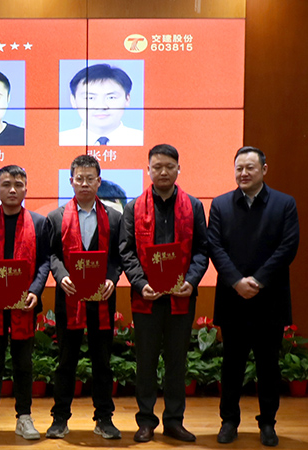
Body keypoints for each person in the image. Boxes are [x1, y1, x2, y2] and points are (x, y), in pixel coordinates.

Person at [208, 146, 299, 447]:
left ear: (264, 169)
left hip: (269, 299)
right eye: (239, 168)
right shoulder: (220, 204)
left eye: (250, 167)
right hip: (232, 298)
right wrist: (237, 282)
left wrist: (257, 281)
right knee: (231, 365)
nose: (244, 173)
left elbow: (288, 247)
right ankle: (229, 421)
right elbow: (215, 247)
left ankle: (268, 423)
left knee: (268, 366)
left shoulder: (284, 204)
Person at [119, 144, 209, 443]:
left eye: (169, 166)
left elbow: (202, 250)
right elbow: (126, 251)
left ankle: (173, 421)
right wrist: (139, 282)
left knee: (176, 362)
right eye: (157, 167)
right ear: (148, 170)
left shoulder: (193, 206)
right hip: (146, 297)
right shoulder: (133, 207)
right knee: (145, 362)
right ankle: (145, 421)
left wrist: (192, 281)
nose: (163, 172)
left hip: (181, 296)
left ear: (178, 169)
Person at [45, 155, 123, 440]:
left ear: (99, 181)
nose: (85, 183)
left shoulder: (114, 217)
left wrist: (112, 278)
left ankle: (104, 418)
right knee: (66, 361)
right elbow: (52, 254)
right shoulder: (56, 217)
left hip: (102, 297)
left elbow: (118, 256)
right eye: (80, 178)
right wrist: (61, 274)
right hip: (69, 298)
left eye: (91, 179)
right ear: (71, 181)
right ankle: (59, 419)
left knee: (102, 362)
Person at [0, 165, 50, 440]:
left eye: (18, 184)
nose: (12, 190)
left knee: (24, 364)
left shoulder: (39, 223)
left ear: (26, 189)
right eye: (6, 184)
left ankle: (24, 417)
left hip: (24, 305)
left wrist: (35, 291)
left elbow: (44, 262)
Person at [59, 63, 143, 147]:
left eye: (111, 97)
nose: (101, 106)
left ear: (127, 99)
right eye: (90, 98)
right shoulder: (61, 140)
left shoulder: (140, 139)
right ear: (73, 100)